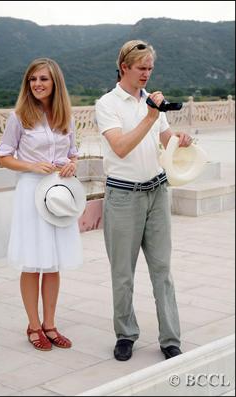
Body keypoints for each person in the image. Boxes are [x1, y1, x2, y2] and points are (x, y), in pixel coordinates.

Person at [95, 40, 193, 361]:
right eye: (141, 68)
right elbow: (120, 147)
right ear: (124, 67)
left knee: (162, 269)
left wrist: (180, 138)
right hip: (123, 196)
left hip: (157, 191)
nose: (147, 74)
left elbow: (165, 139)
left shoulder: (152, 103)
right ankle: (125, 334)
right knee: (123, 273)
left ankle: (170, 339)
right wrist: (150, 116)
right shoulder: (107, 104)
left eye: (150, 68)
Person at [0, 58, 82, 351]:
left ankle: (50, 324)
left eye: (43, 79)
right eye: (33, 79)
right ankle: (33, 325)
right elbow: (3, 156)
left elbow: (73, 153)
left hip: (58, 193)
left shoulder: (65, 117)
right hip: (31, 192)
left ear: (54, 82)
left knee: (53, 262)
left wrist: (71, 165)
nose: (37, 84)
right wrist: (32, 166)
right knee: (33, 262)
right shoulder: (18, 116)